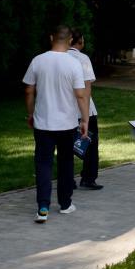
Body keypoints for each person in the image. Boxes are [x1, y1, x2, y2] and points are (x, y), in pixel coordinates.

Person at [23, 25, 90, 223]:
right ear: (70, 41)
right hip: (67, 123)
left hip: (43, 122)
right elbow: (81, 95)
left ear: (51, 37)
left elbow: (28, 90)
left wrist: (30, 113)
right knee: (66, 162)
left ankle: (43, 207)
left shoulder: (38, 60)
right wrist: (84, 119)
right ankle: (65, 203)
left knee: (43, 163)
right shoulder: (74, 63)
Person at [68, 32, 103, 190]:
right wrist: (85, 114)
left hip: (65, 110)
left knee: (65, 146)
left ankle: (67, 178)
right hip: (84, 110)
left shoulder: (60, 58)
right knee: (91, 144)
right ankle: (88, 177)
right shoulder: (83, 59)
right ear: (80, 42)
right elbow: (87, 88)